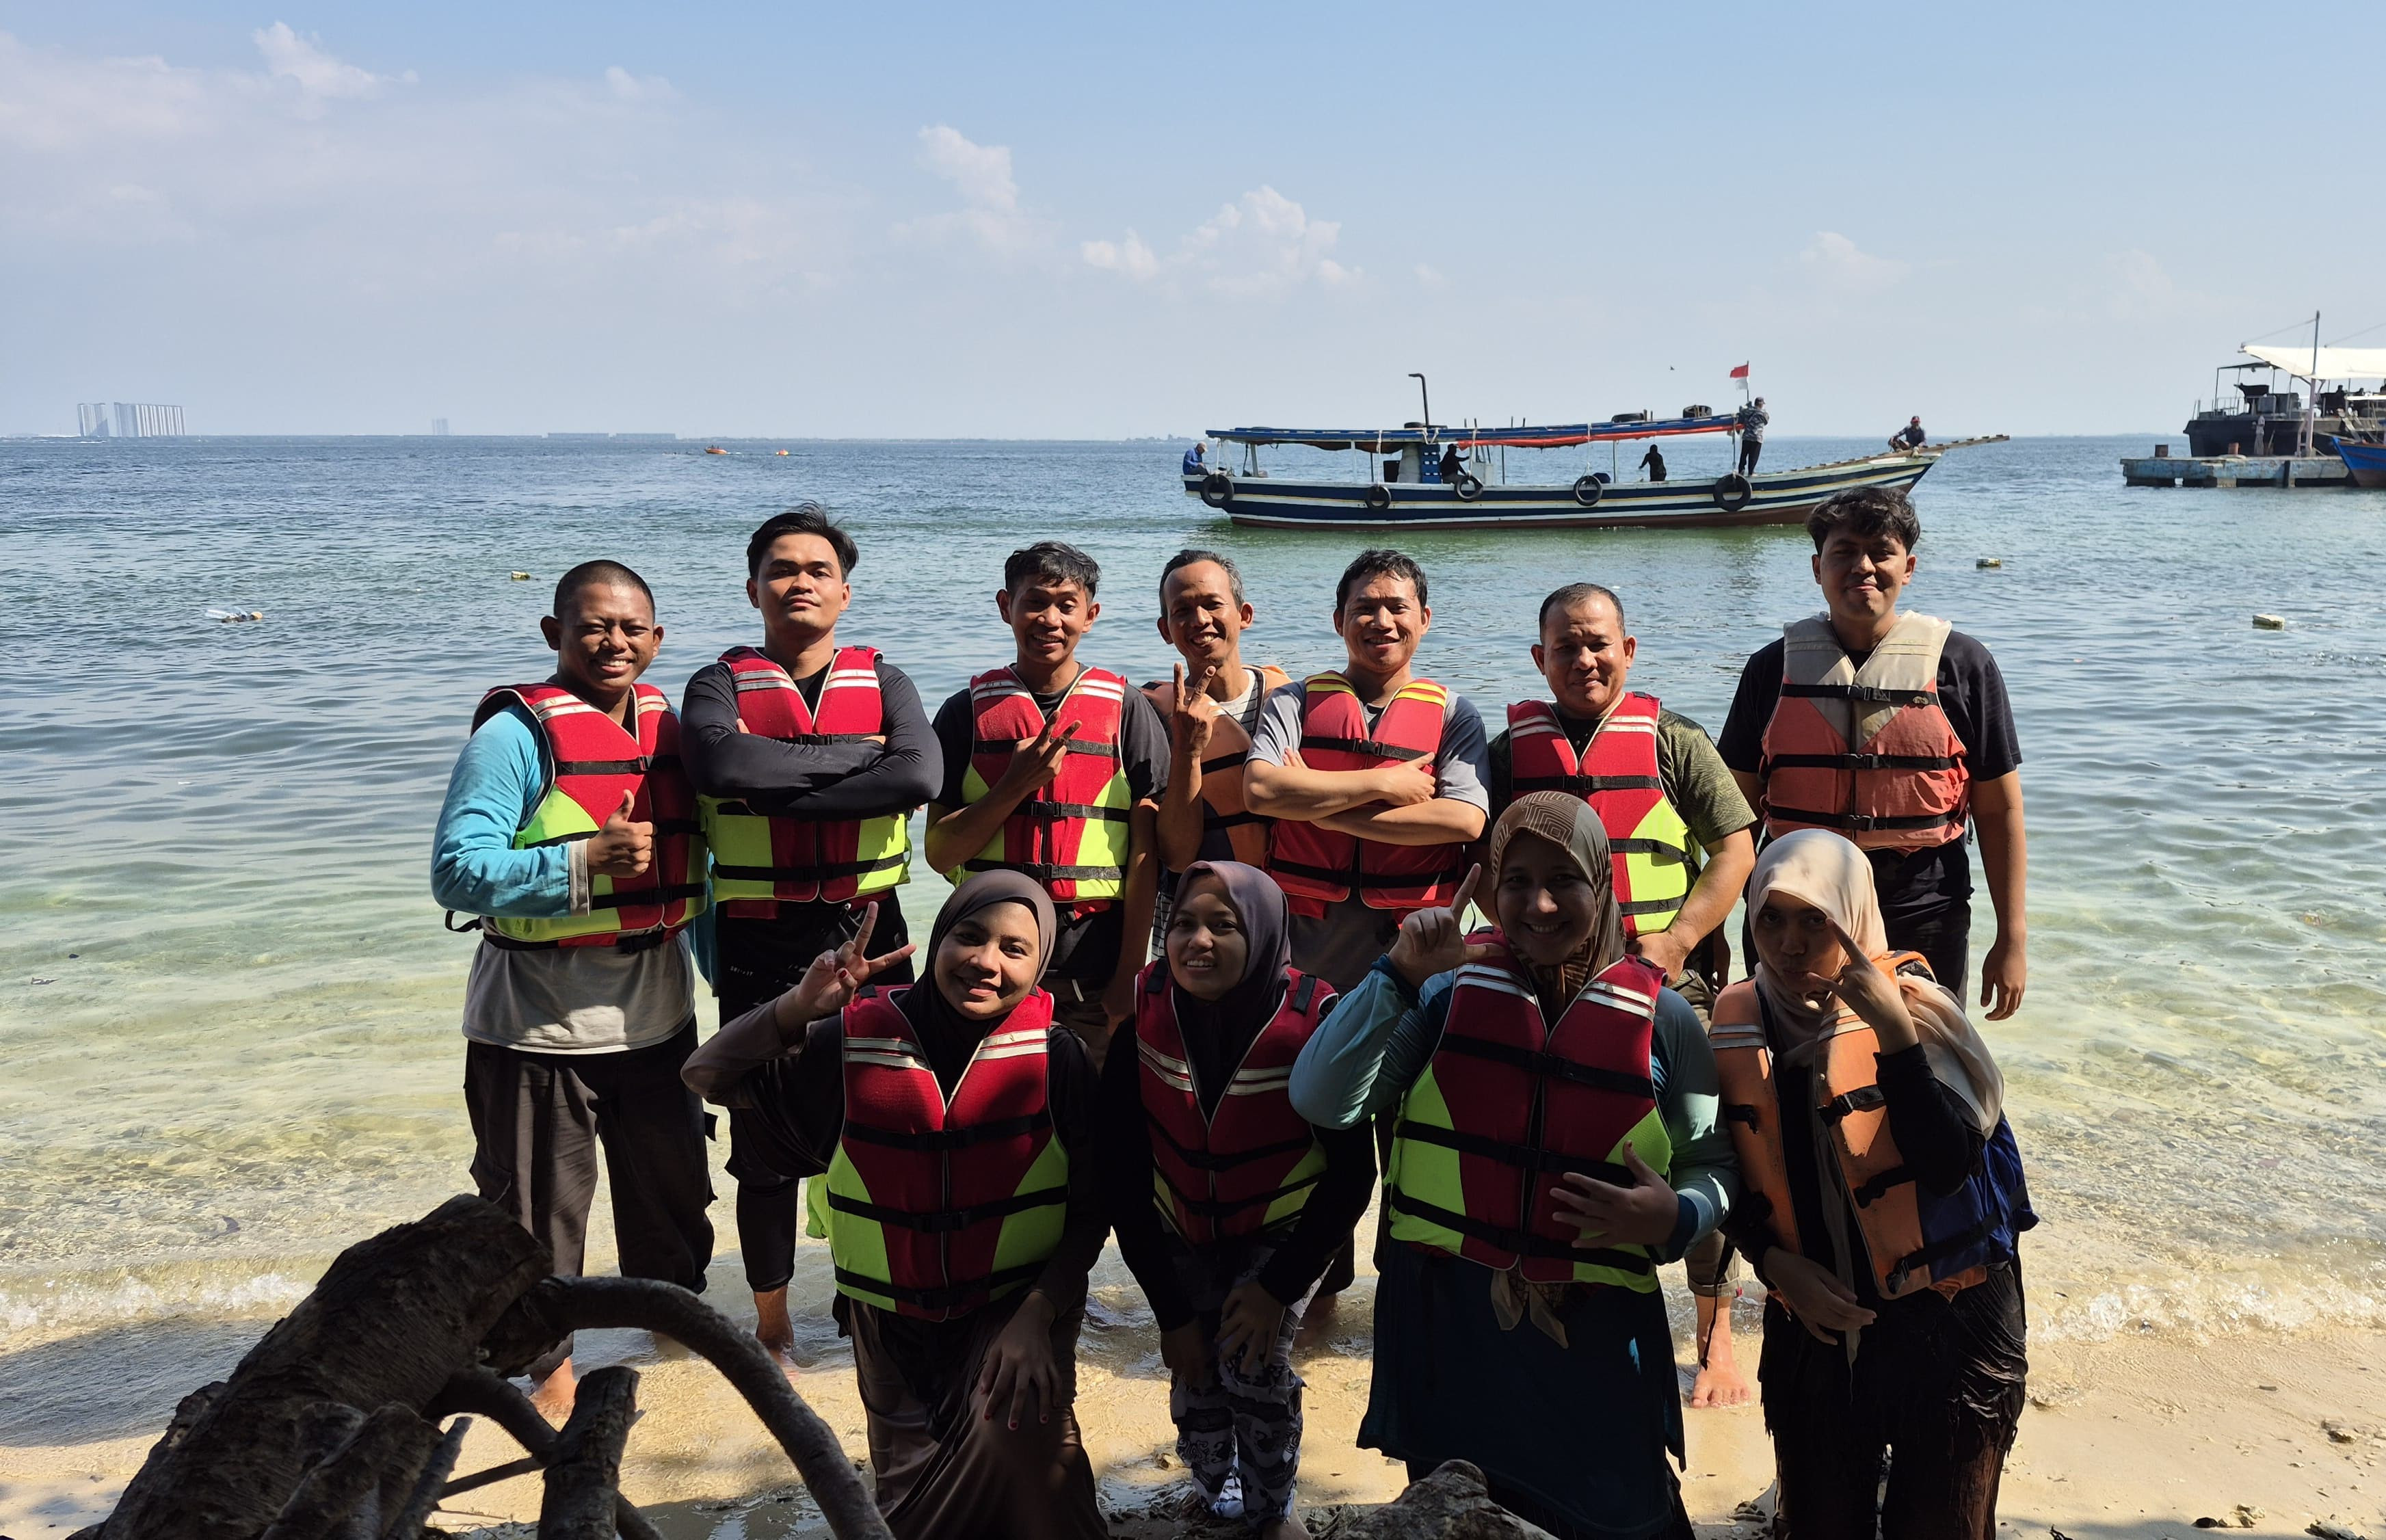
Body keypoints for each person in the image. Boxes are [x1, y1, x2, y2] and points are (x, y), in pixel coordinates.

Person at [1288, 795, 1736, 1540]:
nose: (1539, 904)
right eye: (1516, 881)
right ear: (1490, 887)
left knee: (1623, 1514)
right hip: (1449, 1318)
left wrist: (1677, 1216)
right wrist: (1396, 974)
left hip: (1595, 1326)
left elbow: (1710, 1161)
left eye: (1564, 880)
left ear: (1603, 881)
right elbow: (1323, 1099)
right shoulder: (1442, 993)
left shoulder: (1666, 1020)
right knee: (1462, 1514)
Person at [682, 877, 1111, 1540]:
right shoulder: (847, 1043)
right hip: (889, 1326)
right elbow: (705, 1074)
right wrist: (796, 1008)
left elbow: (1094, 1207)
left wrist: (1039, 1311)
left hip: (1018, 1310)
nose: (986, 961)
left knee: (1032, 1459)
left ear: (1040, 964)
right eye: (969, 936)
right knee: (911, 1510)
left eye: (1014, 949)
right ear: (938, 939)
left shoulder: (1059, 1059)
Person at [432, 560, 715, 1416]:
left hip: (658, 1020)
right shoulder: (513, 736)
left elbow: (700, 872)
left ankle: (676, 1360)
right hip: (534, 1028)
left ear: (657, 640)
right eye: (593, 626)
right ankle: (547, 1387)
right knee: (534, 1224)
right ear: (554, 633)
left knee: (674, 1208)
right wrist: (583, 861)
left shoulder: (673, 729)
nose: (613, 642)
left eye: (631, 628)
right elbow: (455, 871)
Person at [1485, 582, 1760, 1408]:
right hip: (1546, 987)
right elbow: (1480, 860)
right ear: (1540, 659)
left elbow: (1736, 848)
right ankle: (1550, 1295)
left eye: (1598, 642)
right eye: (1565, 647)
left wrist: (1678, 939)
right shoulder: (1507, 754)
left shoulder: (1675, 741)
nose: (1584, 659)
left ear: (1628, 650)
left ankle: (1715, 1331)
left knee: (1701, 1147)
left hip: (1665, 981)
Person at [1714, 830, 2033, 1538]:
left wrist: (1894, 1035)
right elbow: (1720, 1171)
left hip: (1951, 1323)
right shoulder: (1737, 1022)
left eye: (1815, 920)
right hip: (1813, 1316)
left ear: (1853, 917)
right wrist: (1772, 1262)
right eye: (1771, 919)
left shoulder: (1919, 1011)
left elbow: (1948, 1164)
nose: (1790, 944)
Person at [681, 503, 941, 1368]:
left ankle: (865, 1296)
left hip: (873, 930)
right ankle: (773, 1325)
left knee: (879, 1119)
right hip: (760, 937)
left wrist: (779, 782)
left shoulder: (889, 681)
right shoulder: (717, 685)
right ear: (752, 588)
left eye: (818, 569)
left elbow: (920, 774)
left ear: (845, 592)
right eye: (782, 569)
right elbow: (721, 764)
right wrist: (863, 761)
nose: (800, 581)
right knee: (760, 1138)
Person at [1100, 862, 1375, 1540]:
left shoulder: (1317, 1026)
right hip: (1179, 1223)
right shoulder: (1141, 1025)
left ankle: (1271, 1511)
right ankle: (1213, 1487)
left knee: (1252, 1366)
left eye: (1223, 925)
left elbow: (1352, 1175)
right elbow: (1123, 1176)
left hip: (1282, 1229)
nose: (1199, 941)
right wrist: (1169, 1314)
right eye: (1183, 924)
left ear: (1265, 934)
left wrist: (1276, 1290)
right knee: (1195, 1370)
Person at [1717, 486, 2027, 1014]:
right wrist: (1710, 930)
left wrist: (2012, 938)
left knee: (1920, 1053)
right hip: (1793, 912)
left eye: (1880, 552)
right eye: (1843, 552)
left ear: (1908, 568)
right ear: (1817, 568)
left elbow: (1999, 810)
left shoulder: (1964, 667)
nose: (1862, 567)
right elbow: (1733, 818)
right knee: (1792, 1054)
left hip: (1923, 907)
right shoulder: (1769, 670)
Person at [924, 542, 1168, 1066]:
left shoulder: (1127, 710)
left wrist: (1131, 970)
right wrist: (1014, 786)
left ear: (1090, 616)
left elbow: (1145, 855)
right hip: (986, 970)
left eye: (1066, 605)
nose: (1050, 620)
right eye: (1034, 602)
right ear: (1005, 606)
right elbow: (940, 853)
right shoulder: (964, 713)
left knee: (1089, 1107)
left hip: (1092, 970)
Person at [1243, 548, 1490, 994]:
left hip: (1413, 937)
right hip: (1307, 935)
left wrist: (1324, 811)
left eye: (1397, 607)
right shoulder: (1294, 702)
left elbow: (1463, 820)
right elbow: (1260, 790)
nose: (1382, 621)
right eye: (1365, 608)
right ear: (1339, 621)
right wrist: (1384, 782)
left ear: (1424, 619)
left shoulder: (1455, 715)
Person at [1144, 549, 1290, 943]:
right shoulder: (1151, 715)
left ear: (1244, 614)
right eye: (1182, 611)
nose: (1200, 620)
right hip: (1194, 923)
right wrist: (1188, 752)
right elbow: (1175, 855)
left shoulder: (1291, 703)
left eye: (1212, 604)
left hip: (1284, 914)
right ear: (1165, 629)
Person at [1734, 397, 1768, 476]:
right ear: (1761, 404)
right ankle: (1751, 472)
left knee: (1743, 456)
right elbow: (1766, 421)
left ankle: (1741, 471)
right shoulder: (1763, 413)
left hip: (1747, 437)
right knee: (1753, 457)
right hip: (1757, 438)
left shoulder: (1747, 411)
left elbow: (1741, 412)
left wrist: (1748, 407)